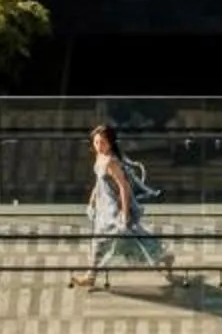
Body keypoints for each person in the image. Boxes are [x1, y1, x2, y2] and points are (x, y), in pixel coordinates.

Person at [71, 122, 174, 289]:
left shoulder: (111, 162)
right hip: (104, 208)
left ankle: (163, 256)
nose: (98, 146)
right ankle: (91, 276)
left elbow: (123, 187)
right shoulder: (100, 157)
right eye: (96, 142)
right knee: (100, 241)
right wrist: (92, 201)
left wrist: (124, 215)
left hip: (114, 208)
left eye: (102, 142)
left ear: (110, 143)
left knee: (129, 238)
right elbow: (99, 183)